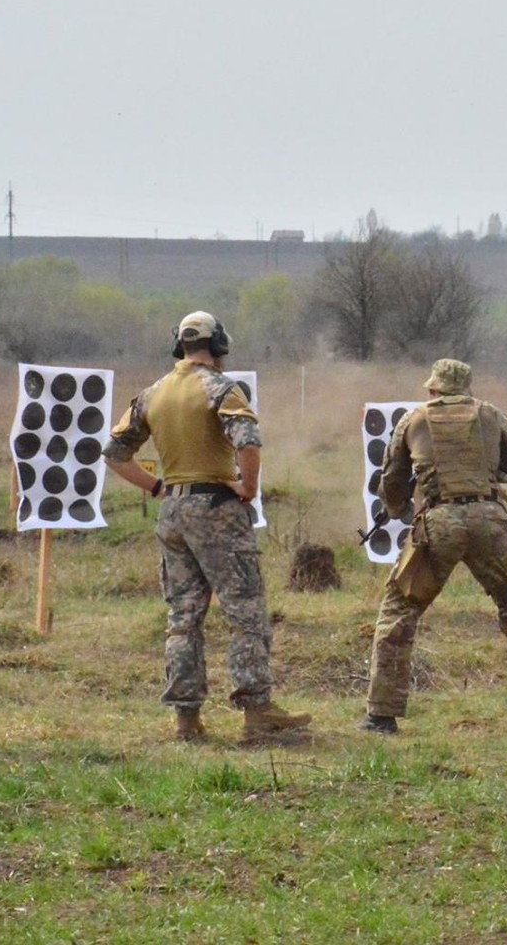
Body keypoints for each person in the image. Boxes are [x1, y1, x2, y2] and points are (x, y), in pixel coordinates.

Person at [105, 311, 312, 743]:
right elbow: (249, 442)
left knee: (183, 618)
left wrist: (157, 486)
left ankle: (186, 719)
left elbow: (114, 453)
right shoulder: (221, 388)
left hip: (174, 511)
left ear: (179, 345)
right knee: (246, 611)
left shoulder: (152, 394)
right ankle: (257, 712)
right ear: (218, 346)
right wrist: (248, 487)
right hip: (217, 509)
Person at [360, 359, 507, 736]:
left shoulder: (412, 420)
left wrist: (401, 508)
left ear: (434, 389)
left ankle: (381, 716)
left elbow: (391, 482)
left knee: (399, 612)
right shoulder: (491, 414)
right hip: (491, 521)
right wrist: (489, 477)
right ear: (466, 387)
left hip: (439, 523)